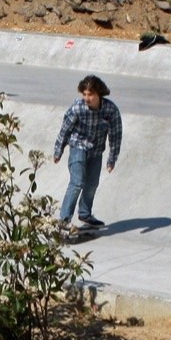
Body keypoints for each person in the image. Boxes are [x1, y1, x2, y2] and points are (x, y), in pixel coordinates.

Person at [51, 74, 123, 232]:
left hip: (96, 150)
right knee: (77, 182)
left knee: (92, 184)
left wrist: (112, 160)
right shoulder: (77, 108)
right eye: (84, 94)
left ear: (99, 94)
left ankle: (85, 214)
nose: (87, 98)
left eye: (90, 95)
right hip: (78, 147)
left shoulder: (111, 110)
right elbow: (65, 130)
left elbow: (115, 136)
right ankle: (64, 220)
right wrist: (58, 150)